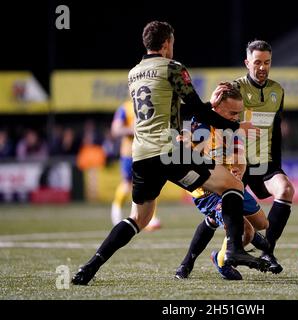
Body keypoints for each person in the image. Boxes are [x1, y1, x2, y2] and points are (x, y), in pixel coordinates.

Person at [71, 21, 268, 285]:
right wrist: (235, 124)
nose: (173, 48)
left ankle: (89, 267)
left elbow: (173, 109)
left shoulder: (134, 73)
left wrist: (210, 105)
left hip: (141, 154)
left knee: (138, 219)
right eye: (172, 43)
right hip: (169, 151)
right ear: (165, 44)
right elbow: (196, 110)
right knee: (232, 184)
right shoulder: (173, 68)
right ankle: (233, 248)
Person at [175, 84, 270, 280]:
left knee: (262, 223)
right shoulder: (201, 124)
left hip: (230, 185)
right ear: (217, 108)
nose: (236, 117)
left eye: (239, 113)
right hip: (207, 189)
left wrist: (240, 168)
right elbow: (188, 150)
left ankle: (189, 260)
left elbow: (239, 152)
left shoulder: (232, 126)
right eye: (232, 112)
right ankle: (221, 261)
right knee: (246, 230)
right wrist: (187, 144)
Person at [233, 40, 295, 274]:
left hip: (265, 162)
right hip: (237, 163)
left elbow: (276, 130)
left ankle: (268, 252)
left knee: (286, 189)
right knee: (235, 226)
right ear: (247, 63)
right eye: (257, 62)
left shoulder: (277, 91)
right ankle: (194, 260)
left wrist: (278, 166)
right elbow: (221, 124)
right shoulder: (235, 88)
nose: (262, 67)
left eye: (266, 62)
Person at [110, 100, 161, 231]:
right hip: (130, 153)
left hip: (148, 151)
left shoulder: (151, 104)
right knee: (127, 185)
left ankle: (151, 218)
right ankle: (116, 210)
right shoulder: (125, 108)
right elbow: (116, 129)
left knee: (152, 184)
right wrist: (133, 130)